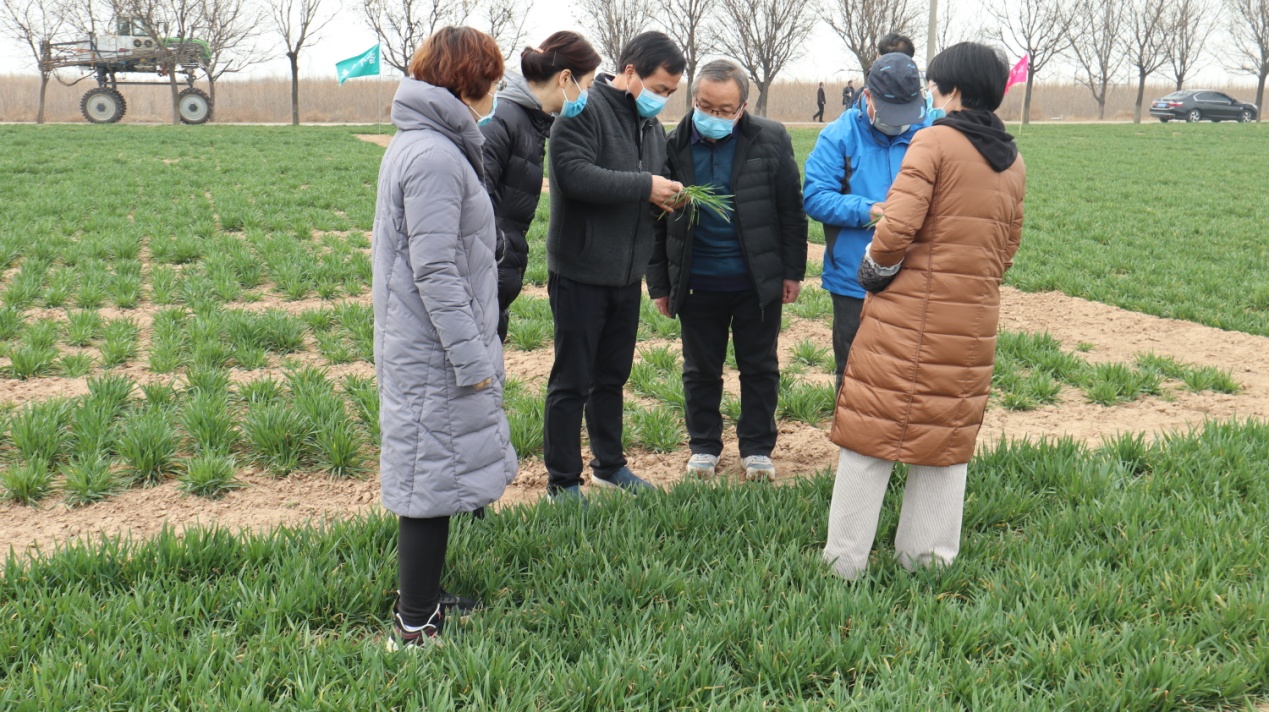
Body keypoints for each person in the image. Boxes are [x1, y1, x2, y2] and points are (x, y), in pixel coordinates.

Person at [822, 42, 1026, 580]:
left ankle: (844, 563)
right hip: (973, 322)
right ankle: (928, 563)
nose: (932, 95)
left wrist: (874, 269)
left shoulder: (933, 141)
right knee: (947, 436)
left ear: (953, 90)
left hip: (907, 316)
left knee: (871, 434)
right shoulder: (1012, 158)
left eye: (935, 86)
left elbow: (897, 227)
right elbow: (1008, 247)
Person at [373, 26, 517, 647]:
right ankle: (414, 624)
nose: (496, 89)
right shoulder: (432, 155)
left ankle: (424, 597)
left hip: (429, 344)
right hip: (436, 350)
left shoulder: (431, 143)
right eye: (492, 78)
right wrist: (473, 357)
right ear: (470, 81)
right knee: (426, 483)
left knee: (436, 473)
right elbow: (433, 270)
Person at [647, 60, 808, 482]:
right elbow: (653, 221)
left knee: (760, 366)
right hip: (698, 281)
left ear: (742, 107)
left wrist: (792, 271)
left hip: (756, 281)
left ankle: (757, 448)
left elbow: (792, 211)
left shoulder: (770, 139)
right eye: (705, 106)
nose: (714, 117)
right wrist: (660, 284)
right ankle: (703, 446)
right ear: (693, 100)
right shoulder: (671, 144)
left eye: (725, 110)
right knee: (700, 368)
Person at [543, 31, 686, 503]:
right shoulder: (582, 109)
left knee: (612, 378)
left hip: (626, 276)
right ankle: (562, 481)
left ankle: (610, 466)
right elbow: (574, 174)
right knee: (571, 381)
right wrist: (646, 185)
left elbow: (641, 189)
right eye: (659, 88)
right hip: (581, 272)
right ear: (629, 72)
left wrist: (665, 200)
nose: (662, 100)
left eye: (669, 93)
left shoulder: (651, 129)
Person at [803, 53, 931, 391]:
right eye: (891, 113)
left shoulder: (929, 131)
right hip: (853, 276)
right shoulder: (838, 136)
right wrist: (870, 211)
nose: (900, 122)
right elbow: (815, 197)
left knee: (910, 369)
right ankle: (851, 442)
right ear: (869, 97)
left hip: (915, 273)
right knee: (854, 369)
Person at [480, 32, 602, 341]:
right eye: (585, 86)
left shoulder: (529, 121)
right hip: (482, 280)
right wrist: (499, 260)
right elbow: (475, 205)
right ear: (565, 78)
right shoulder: (505, 121)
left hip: (494, 280)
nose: (585, 95)